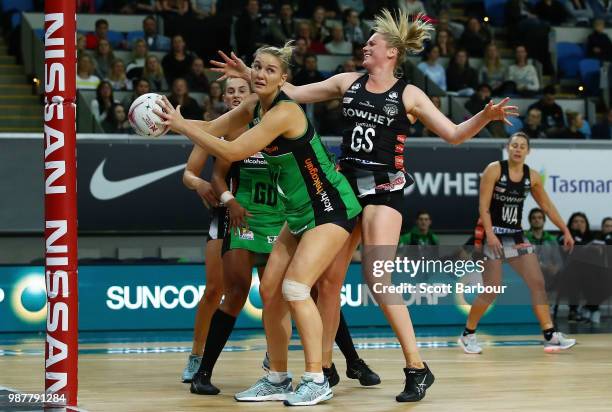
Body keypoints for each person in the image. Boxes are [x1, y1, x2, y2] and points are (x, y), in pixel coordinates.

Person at [210, 8, 518, 402]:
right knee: (326, 283)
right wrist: (252, 75)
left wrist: (484, 116)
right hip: (346, 187)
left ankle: (417, 367)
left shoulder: (409, 94)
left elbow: (455, 135)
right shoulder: (347, 81)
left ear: (390, 52)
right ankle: (319, 371)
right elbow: (292, 92)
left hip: (384, 190)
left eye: (372, 43)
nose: (365, 46)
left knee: (378, 280)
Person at [156, 42, 363, 406]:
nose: (262, 73)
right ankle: (278, 378)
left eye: (271, 69)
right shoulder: (252, 106)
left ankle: (317, 378)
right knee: (270, 291)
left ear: (284, 79)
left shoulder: (284, 112)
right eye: (257, 66)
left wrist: (181, 126)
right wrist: (172, 123)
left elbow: (234, 151)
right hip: (298, 213)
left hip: (329, 206)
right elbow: (213, 128)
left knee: (297, 289)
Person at [460, 132, 575, 355]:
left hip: (515, 235)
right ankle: (467, 334)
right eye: (514, 145)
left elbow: (547, 208)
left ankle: (550, 335)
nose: (518, 149)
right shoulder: (494, 169)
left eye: (522, 146)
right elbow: (482, 207)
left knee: (537, 283)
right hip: (490, 233)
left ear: (528, 151)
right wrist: (491, 235)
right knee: (491, 289)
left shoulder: (531, 176)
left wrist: (565, 229)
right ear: (508, 147)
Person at [180, 76, 250, 382]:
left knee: (275, 290)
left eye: (241, 90)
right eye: (230, 91)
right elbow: (188, 173)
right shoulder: (217, 127)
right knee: (214, 289)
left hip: (265, 216)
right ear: (223, 97)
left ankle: (272, 357)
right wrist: (199, 183)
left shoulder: (268, 123)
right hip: (224, 213)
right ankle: (197, 355)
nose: (235, 95)